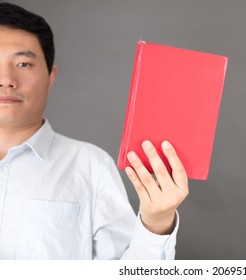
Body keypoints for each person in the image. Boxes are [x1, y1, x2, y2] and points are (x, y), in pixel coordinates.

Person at [0, 2, 189, 259]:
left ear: (50, 77)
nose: (6, 80)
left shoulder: (91, 166)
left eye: (23, 64)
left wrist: (156, 223)